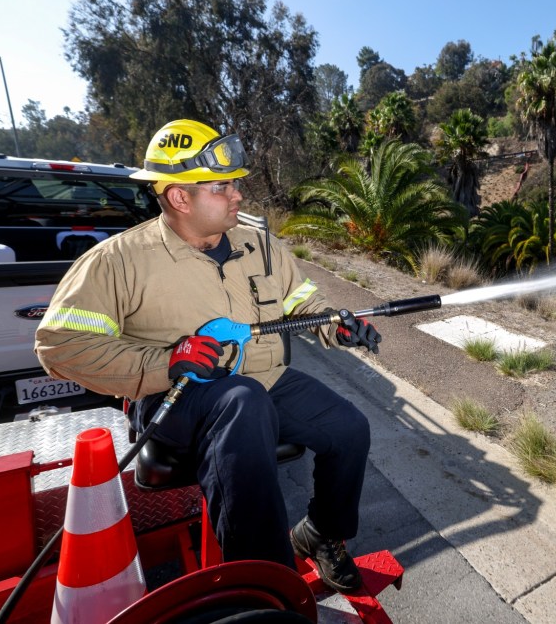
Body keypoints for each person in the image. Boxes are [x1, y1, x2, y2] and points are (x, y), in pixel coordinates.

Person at [34, 119, 381, 593]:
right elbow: (61, 345)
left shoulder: (259, 245)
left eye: (234, 184)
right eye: (222, 187)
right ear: (180, 197)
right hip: (174, 394)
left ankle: (320, 534)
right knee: (241, 401)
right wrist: (164, 363)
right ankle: (264, 586)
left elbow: (302, 301)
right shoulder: (118, 262)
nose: (238, 194)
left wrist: (334, 323)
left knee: (349, 428)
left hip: (263, 381)